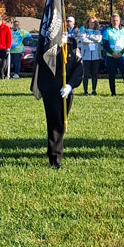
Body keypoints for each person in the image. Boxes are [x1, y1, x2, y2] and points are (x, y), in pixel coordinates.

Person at [36, 41, 84, 169]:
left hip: (66, 91)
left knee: (60, 123)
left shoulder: (72, 48)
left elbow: (79, 68)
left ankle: (53, 152)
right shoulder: (47, 46)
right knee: (54, 124)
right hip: (51, 90)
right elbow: (41, 67)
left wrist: (70, 85)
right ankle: (55, 158)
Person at [103, 13, 124, 96]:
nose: (115, 22)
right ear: (111, 21)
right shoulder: (107, 31)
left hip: (122, 57)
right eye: (113, 20)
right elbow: (105, 45)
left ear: (119, 21)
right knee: (111, 75)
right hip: (111, 57)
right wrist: (113, 53)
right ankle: (113, 92)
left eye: (117, 20)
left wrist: (121, 53)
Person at [78, 17, 103, 95]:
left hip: (96, 57)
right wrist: (93, 40)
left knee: (94, 74)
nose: (92, 24)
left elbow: (99, 39)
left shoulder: (98, 32)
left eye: (93, 22)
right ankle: (85, 91)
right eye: (90, 22)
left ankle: (94, 90)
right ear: (88, 23)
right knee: (85, 75)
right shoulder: (83, 31)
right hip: (86, 57)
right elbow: (83, 40)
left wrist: (90, 37)